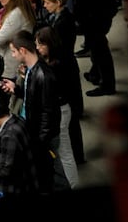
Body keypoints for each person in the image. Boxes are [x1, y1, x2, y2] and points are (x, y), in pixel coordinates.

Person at [2, 30, 64, 194]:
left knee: (53, 176)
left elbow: (47, 113)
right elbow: (32, 99)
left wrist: (40, 142)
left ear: (23, 50)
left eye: (14, 51)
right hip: (33, 131)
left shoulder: (43, 74)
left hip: (42, 138)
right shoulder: (31, 70)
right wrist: (16, 89)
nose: (13, 55)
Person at [34, 25, 79, 188]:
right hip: (60, 109)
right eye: (36, 44)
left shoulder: (57, 65)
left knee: (65, 152)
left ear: (50, 44)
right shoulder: (55, 60)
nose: (38, 48)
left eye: (41, 44)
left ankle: (72, 185)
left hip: (60, 110)